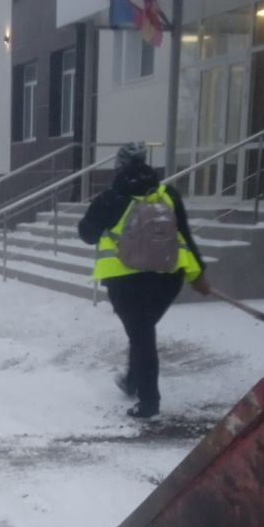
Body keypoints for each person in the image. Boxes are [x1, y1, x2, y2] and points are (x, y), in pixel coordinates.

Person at [77, 142, 211, 420]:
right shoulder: (168, 195)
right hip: (167, 278)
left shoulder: (110, 200)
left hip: (126, 281)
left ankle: (149, 403)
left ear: (119, 166)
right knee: (142, 332)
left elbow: (86, 234)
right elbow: (184, 235)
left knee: (141, 335)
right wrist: (197, 275)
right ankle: (132, 380)